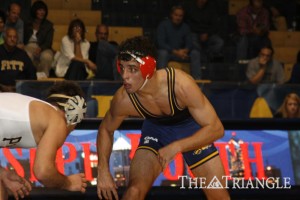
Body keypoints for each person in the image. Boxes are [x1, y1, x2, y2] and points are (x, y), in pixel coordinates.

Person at [96, 36, 230, 200]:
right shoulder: (123, 99)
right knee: (134, 192)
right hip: (156, 132)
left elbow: (216, 129)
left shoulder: (180, 84)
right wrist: (102, 171)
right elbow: (105, 129)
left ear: (149, 68)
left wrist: (177, 146)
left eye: (132, 69)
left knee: (219, 197)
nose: (125, 76)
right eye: (122, 68)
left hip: (191, 130)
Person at [0, 81, 88, 200]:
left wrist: (3, 173)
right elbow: (43, 172)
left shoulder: (34, 112)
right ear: (75, 113)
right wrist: (68, 182)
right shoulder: (57, 120)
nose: (72, 130)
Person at [156, 5, 201, 80]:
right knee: (162, 53)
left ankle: (197, 83)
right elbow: (161, 43)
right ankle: (160, 80)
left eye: (180, 16)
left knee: (195, 53)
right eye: (176, 15)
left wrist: (185, 50)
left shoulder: (185, 27)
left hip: (182, 54)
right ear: (171, 15)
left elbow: (189, 43)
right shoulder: (163, 25)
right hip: (169, 53)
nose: (178, 17)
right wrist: (176, 52)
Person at [24, 0, 54, 78]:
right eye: (40, 10)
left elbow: (48, 42)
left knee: (47, 56)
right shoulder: (27, 23)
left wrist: (40, 48)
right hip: (29, 45)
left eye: (44, 10)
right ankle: (29, 77)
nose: (42, 12)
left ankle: (43, 78)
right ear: (35, 11)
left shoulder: (49, 25)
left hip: (44, 47)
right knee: (27, 55)